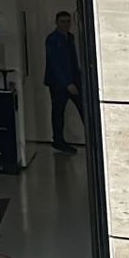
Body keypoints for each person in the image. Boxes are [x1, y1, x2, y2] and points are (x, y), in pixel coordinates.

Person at [44, 10, 83, 154]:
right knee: (58, 112)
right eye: (62, 21)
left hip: (73, 80)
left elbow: (72, 60)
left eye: (68, 21)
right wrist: (67, 83)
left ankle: (93, 139)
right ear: (56, 22)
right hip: (58, 83)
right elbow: (54, 63)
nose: (66, 24)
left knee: (83, 108)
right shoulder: (52, 39)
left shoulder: (70, 37)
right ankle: (58, 141)